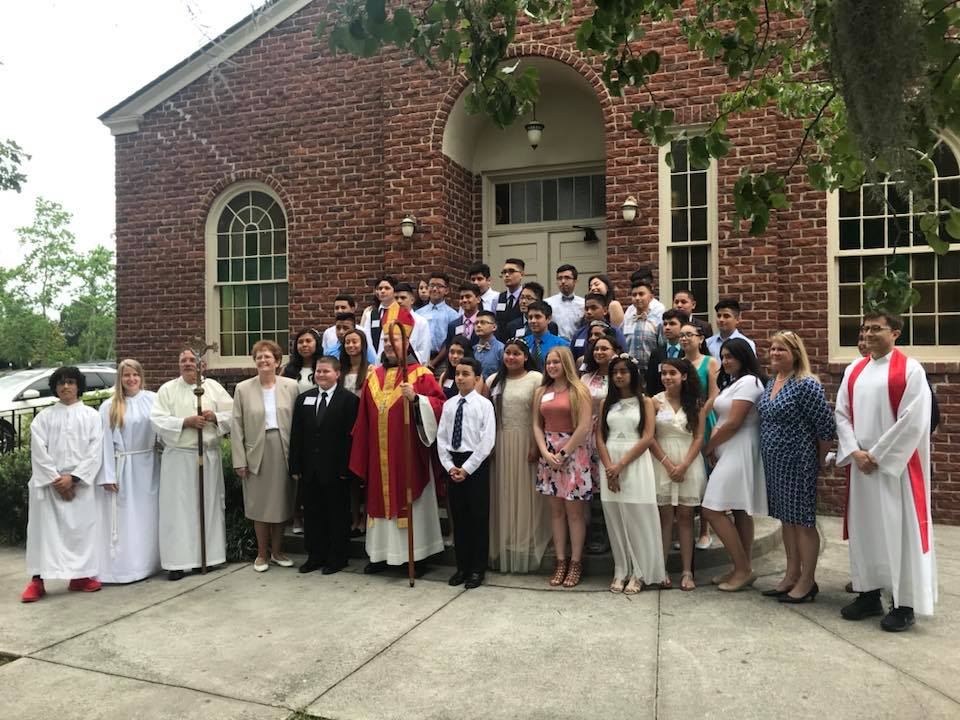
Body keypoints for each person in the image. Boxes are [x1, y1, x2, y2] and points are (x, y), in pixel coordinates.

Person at [835, 312, 936, 632]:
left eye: (876, 329)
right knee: (867, 531)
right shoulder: (854, 369)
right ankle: (868, 592)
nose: (868, 334)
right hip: (863, 467)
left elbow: (914, 420)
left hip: (897, 470)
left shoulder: (910, 369)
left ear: (895, 333)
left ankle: (904, 603)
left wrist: (876, 455)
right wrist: (854, 451)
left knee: (899, 531)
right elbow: (841, 413)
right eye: (864, 328)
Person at [349, 308, 447, 574]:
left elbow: (440, 407)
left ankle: (417, 556)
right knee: (380, 500)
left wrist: (418, 400)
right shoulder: (373, 376)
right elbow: (364, 419)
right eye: (386, 342)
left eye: (396, 341)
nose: (390, 346)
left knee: (410, 501)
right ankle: (380, 555)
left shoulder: (421, 374)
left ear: (408, 343)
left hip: (409, 455)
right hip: (379, 455)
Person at [757, 331, 835, 602]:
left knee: (802, 522)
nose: (775, 353)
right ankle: (791, 575)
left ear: (796, 354)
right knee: (786, 520)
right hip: (775, 463)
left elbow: (826, 427)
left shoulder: (806, 384)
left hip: (798, 462)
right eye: (773, 348)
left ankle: (807, 580)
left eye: (782, 349)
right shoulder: (772, 381)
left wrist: (820, 461)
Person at [21, 367, 104, 602]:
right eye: (60, 383)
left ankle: (79, 577)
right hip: (49, 485)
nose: (65, 386)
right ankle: (37, 581)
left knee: (80, 532)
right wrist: (57, 481)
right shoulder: (44, 417)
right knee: (43, 534)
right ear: (55, 387)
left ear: (78, 386)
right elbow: (38, 451)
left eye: (70, 382)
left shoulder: (91, 416)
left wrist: (74, 479)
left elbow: (94, 451)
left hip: (80, 485)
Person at [150, 349, 233, 581]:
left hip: (207, 455)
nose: (187, 364)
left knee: (208, 505)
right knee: (178, 509)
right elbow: (156, 420)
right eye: (183, 360)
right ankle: (177, 562)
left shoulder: (214, 387)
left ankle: (208, 558)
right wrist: (184, 422)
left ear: (202, 366)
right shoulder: (167, 389)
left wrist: (214, 417)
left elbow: (234, 413)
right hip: (179, 457)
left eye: (192, 360)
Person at [701, 338, 768, 592]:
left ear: (744, 357)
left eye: (731, 356)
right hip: (727, 449)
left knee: (711, 510)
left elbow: (733, 423)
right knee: (739, 509)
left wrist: (708, 447)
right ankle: (742, 566)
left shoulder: (750, 382)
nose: (726, 361)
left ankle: (743, 569)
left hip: (739, 450)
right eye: (724, 356)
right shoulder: (733, 383)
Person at [596, 355, 665, 593]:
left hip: (634, 460)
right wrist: (609, 468)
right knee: (614, 516)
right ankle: (621, 568)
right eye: (615, 372)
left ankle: (640, 571)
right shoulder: (606, 403)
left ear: (633, 374)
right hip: (609, 461)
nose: (618, 376)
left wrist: (621, 465)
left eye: (624, 371)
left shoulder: (645, 402)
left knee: (638, 514)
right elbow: (599, 436)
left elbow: (647, 437)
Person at [232, 340, 300, 572]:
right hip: (256, 452)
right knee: (259, 505)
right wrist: (239, 460)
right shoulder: (243, 388)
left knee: (281, 503)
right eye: (259, 357)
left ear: (277, 361)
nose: (263, 361)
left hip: (283, 450)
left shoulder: (291, 386)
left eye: (267, 357)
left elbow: (299, 423)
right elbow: (237, 426)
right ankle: (261, 554)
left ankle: (278, 552)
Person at [290, 356, 360, 574]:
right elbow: (297, 436)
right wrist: (295, 466)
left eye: (326, 371)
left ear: (337, 374)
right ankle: (315, 556)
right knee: (312, 515)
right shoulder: (304, 399)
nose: (321, 375)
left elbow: (351, 438)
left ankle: (337, 558)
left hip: (336, 471)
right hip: (310, 470)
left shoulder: (348, 401)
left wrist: (346, 469)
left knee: (337, 516)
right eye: (318, 371)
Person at [95, 359, 161, 584]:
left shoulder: (153, 400)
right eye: (126, 375)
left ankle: (149, 563)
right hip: (122, 467)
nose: (131, 379)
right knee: (124, 519)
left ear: (141, 377)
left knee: (147, 516)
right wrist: (108, 474)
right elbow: (103, 443)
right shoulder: (109, 406)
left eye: (135, 375)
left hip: (148, 465)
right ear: (120, 379)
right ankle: (124, 568)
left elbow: (162, 430)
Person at [487, 338, 550, 573]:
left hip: (527, 440)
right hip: (501, 442)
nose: (511, 357)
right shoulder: (493, 381)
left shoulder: (535, 379)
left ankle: (527, 540)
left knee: (526, 492)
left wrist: (536, 445)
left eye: (516, 354)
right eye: (507, 353)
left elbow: (539, 416)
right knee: (504, 491)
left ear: (525, 357)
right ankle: (506, 539)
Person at [533, 346, 593, 588]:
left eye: (556, 362)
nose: (552, 366)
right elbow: (536, 425)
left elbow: (584, 426)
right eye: (548, 362)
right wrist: (545, 452)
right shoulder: (541, 391)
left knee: (574, 513)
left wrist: (564, 452)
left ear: (566, 363)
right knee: (556, 512)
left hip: (573, 453)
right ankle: (560, 561)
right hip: (548, 453)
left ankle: (576, 562)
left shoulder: (579, 390)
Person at [438, 358, 497, 589]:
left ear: (477, 378)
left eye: (465, 373)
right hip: (453, 464)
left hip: (475, 464)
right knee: (459, 518)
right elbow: (442, 438)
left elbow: (487, 440)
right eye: (457, 373)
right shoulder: (449, 404)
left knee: (478, 517)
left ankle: (477, 569)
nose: (460, 377)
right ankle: (461, 567)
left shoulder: (484, 405)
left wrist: (467, 468)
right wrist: (449, 465)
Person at [650, 359, 706, 591]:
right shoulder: (654, 401)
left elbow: (699, 437)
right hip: (661, 461)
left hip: (688, 462)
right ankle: (660, 569)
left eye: (672, 373)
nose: (667, 377)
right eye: (664, 374)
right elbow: (649, 436)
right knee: (664, 518)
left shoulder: (696, 403)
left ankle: (686, 571)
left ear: (684, 376)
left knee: (684, 517)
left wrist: (683, 465)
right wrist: (667, 462)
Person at [677, 322, 719, 549]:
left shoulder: (709, 362)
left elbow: (714, 393)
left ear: (701, 338)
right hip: (682, 423)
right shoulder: (679, 363)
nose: (684, 339)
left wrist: (702, 412)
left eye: (689, 335)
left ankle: (705, 530)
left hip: (704, 419)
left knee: (706, 474)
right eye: (681, 335)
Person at [580, 335, 622, 555]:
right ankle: (594, 532)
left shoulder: (621, 376)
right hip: (587, 435)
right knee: (592, 486)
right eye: (596, 349)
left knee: (607, 483)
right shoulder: (586, 378)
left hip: (612, 434)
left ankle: (609, 533)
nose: (599, 352)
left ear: (615, 351)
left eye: (605, 348)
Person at [417, 272, 460, 371]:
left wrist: (434, 362)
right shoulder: (419, 313)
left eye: (439, 286)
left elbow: (451, 341)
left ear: (446, 290)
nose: (435, 289)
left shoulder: (453, 315)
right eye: (432, 285)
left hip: (443, 363)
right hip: (421, 360)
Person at [570, 293, 627, 362]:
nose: (589, 312)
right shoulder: (578, 333)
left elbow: (623, 356)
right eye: (586, 309)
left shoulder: (614, 331)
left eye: (593, 308)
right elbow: (572, 359)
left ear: (605, 310)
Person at [644, 309, 689, 395]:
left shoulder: (688, 351)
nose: (667, 327)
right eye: (665, 324)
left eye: (672, 324)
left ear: (683, 327)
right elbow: (651, 382)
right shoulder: (656, 353)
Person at [623, 279, 660, 374]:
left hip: (651, 371)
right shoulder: (626, 321)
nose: (637, 298)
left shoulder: (657, 322)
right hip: (630, 372)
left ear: (651, 297)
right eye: (634, 295)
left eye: (641, 294)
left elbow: (661, 346)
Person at [361, 274, 399, 358]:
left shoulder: (400, 312)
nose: (382, 291)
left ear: (395, 291)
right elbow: (367, 339)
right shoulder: (371, 314)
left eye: (387, 288)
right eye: (380, 288)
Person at [524, 301, 569, 371]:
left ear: (548, 319)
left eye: (537, 317)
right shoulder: (523, 343)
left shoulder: (561, 344)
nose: (533, 321)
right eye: (530, 317)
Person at [395, 282, 432, 364]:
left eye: (403, 298)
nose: (399, 301)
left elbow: (424, 352)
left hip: (414, 367)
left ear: (412, 300)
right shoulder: (390, 321)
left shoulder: (421, 322)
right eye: (396, 298)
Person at [546, 264, 585, 340]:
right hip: (555, 347)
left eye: (567, 278)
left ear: (575, 281)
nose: (563, 281)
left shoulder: (583, 304)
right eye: (559, 278)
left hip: (577, 347)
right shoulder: (548, 303)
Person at [282, 328, 324, 394]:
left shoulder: (325, 367)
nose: (304, 345)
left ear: (317, 343)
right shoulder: (287, 369)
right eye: (300, 342)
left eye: (308, 341)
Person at [444, 283, 483, 350]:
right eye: (461, 298)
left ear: (478, 299)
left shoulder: (486, 323)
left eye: (468, 297)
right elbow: (448, 349)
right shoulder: (453, 325)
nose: (464, 300)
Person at [495, 258, 525, 340]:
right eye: (504, 272)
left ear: (521, 274)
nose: (507, 275)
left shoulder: (527, 296)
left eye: (511, 271)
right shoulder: (498, 298)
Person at [339, 328, 373, 397]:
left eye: (354, 342)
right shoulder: (339, 369)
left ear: (362, 344)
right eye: (347, 342)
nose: (350, 345)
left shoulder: (371, 370)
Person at [472, 311, 504, 379]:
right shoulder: (473, 349)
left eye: (483, 323)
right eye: (476, 323)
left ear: (494, 327)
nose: (478, 325)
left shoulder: (501, 349)